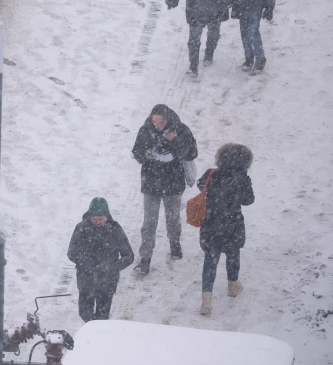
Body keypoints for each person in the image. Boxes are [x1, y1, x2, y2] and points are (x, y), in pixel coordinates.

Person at [131, 104, 197, 274]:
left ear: (167, 120)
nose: (156, 125)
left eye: (159, 123)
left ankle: (175, 243)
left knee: (173, 217)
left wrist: (174, 144)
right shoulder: (145, 130)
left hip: (173, 183)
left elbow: (191, 153)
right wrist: (147, 154)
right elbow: (136, 151)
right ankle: (145, 259)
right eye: (154, 121)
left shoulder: (181, 130)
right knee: (149, 223)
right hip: (151, 182)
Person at [198, 143, 255, 315]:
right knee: (233, 254)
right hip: (233, 223)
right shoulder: (242, 178)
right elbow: (248, 200)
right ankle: (232, 285)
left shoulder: (211, 173)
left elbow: (201, 186)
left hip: (211, 222)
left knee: (210, 260)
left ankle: (206, 299)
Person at [67, 197, 134, 321]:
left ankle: (98, 338)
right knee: (85, 314)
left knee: (102, 318)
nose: (98, 222)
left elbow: (129, 256)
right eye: (95, 219)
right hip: (86, 278)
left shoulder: (115, 229)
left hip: (107, 282)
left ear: (106, 217)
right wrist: (86, 262)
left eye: (101, 219)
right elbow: (71, 252)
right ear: (90, 216)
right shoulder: (81, 228)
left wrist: (111, 267)